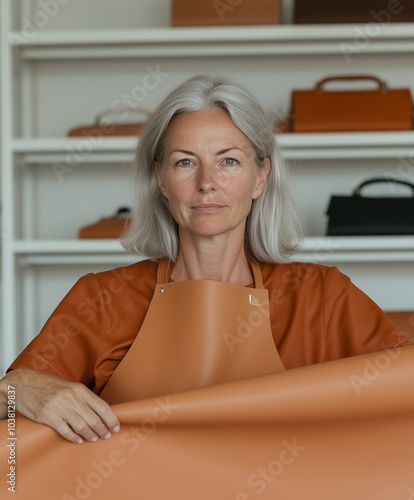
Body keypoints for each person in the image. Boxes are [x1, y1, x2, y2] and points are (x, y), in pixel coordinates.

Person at [0, 75, 411, 446]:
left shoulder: (323, 297)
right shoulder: (103, 299)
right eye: (185, 162)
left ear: (261, 177)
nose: (206, 183)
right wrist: (21, 390)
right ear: (161, 179)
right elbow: (9, 412)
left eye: (228, 160)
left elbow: (402, 391)